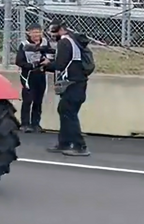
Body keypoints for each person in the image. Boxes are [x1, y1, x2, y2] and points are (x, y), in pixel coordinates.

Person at [44, 19, 92, 156]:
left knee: (69, 113)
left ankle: (80, 145)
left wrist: (46, 64)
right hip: (79, 82)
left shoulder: (65, 42)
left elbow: (60, 64)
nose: (53, 35)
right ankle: (64, 142)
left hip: (72, 83)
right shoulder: (74, 41)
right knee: (65, 111)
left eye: (54, 32)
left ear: (61, 30)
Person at [14, 24, 52, 133]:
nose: (36, 35)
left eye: (38, 32)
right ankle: (25, 123)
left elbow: (50, 55)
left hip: (41, 74)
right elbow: (19, 61)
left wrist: (47, 61)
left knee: (38, 100)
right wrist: (32, 65)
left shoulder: (45, 42)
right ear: (28, 33)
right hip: (28, 76)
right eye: (34, 32)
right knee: (28, 99)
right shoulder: (24, 45)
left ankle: (36, 123)